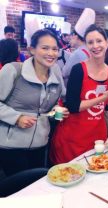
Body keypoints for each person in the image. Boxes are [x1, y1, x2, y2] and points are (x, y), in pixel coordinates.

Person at [49, 24, 108, 165]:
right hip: (74, 137)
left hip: (97, 136)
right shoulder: (79, 69)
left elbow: (107, 107)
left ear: (107, 43)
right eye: (90, 42)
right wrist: (104, 96)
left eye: (99, 41)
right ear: (86, 45)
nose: (95, 46)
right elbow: (72, 106)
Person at [0, 29, 68, 176]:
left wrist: (57, 110)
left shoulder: (56, 74)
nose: (51, 53)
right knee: (15, 191)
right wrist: (16, 118)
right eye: (45, 48)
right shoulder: (13, 70)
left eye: (55, 49)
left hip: (41, 144)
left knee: (36, 186)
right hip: (10, 146)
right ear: (32, 50)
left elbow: (51, 104)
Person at [62, 8, 95, 87]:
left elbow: (64, 73)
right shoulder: (90, 49)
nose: (70, 38)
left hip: (78, 87)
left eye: (72, 35)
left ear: (76, 36)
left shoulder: (77, 53)